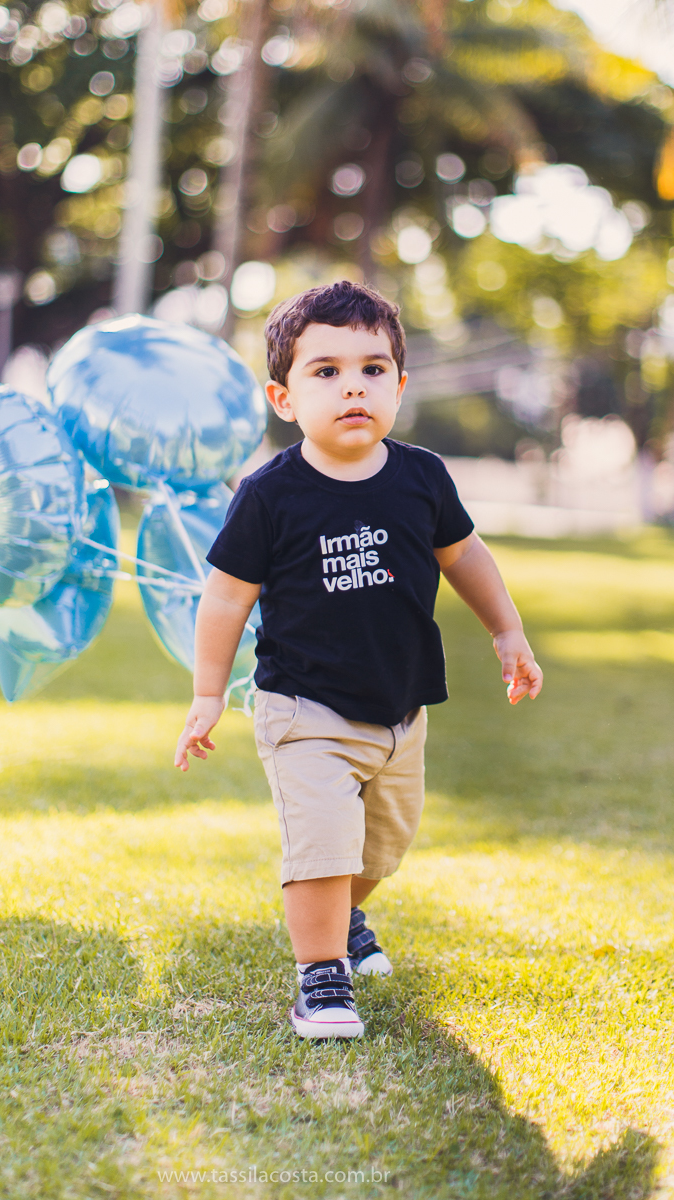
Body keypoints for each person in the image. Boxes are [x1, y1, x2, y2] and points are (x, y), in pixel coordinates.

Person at [174, 280, 543, 1039]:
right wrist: (208, 693)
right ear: (284, 398)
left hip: (401, 709)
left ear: (400, 387)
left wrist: (507, 631)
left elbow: (463, 554)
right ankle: (320, 977)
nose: (353, 386)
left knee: (381, 849)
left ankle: (349, 919)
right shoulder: (269, 494)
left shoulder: (421, 478)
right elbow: (224, 599)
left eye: (373, 370)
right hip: (303, 706)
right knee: (322, 847)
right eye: (326, 371)